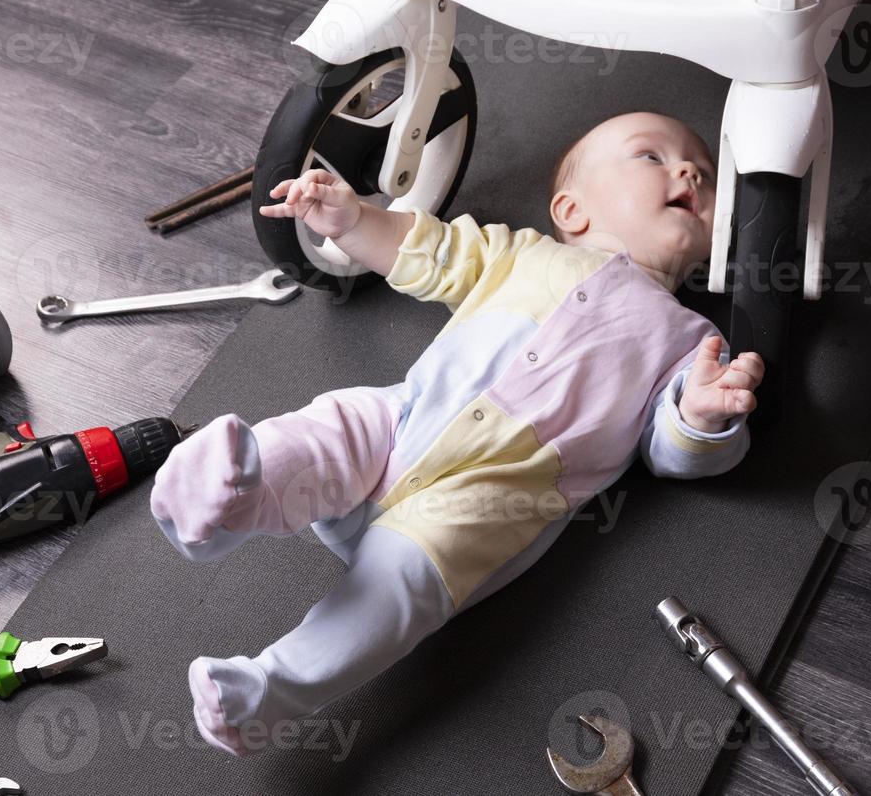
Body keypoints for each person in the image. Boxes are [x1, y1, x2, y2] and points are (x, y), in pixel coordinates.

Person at [149, 111, 765, 756]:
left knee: (399, 591)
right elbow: (431, 251)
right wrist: (354, 220)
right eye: (652, 157)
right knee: (331, 429)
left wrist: (702, 416)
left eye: (703, 170)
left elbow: (669, 450)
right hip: (404, 422)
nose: (689, 170)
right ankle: (222, 503)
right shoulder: (525, 253)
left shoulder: (692, 341)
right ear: (572, 209)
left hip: (489, 501)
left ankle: (268, 692)